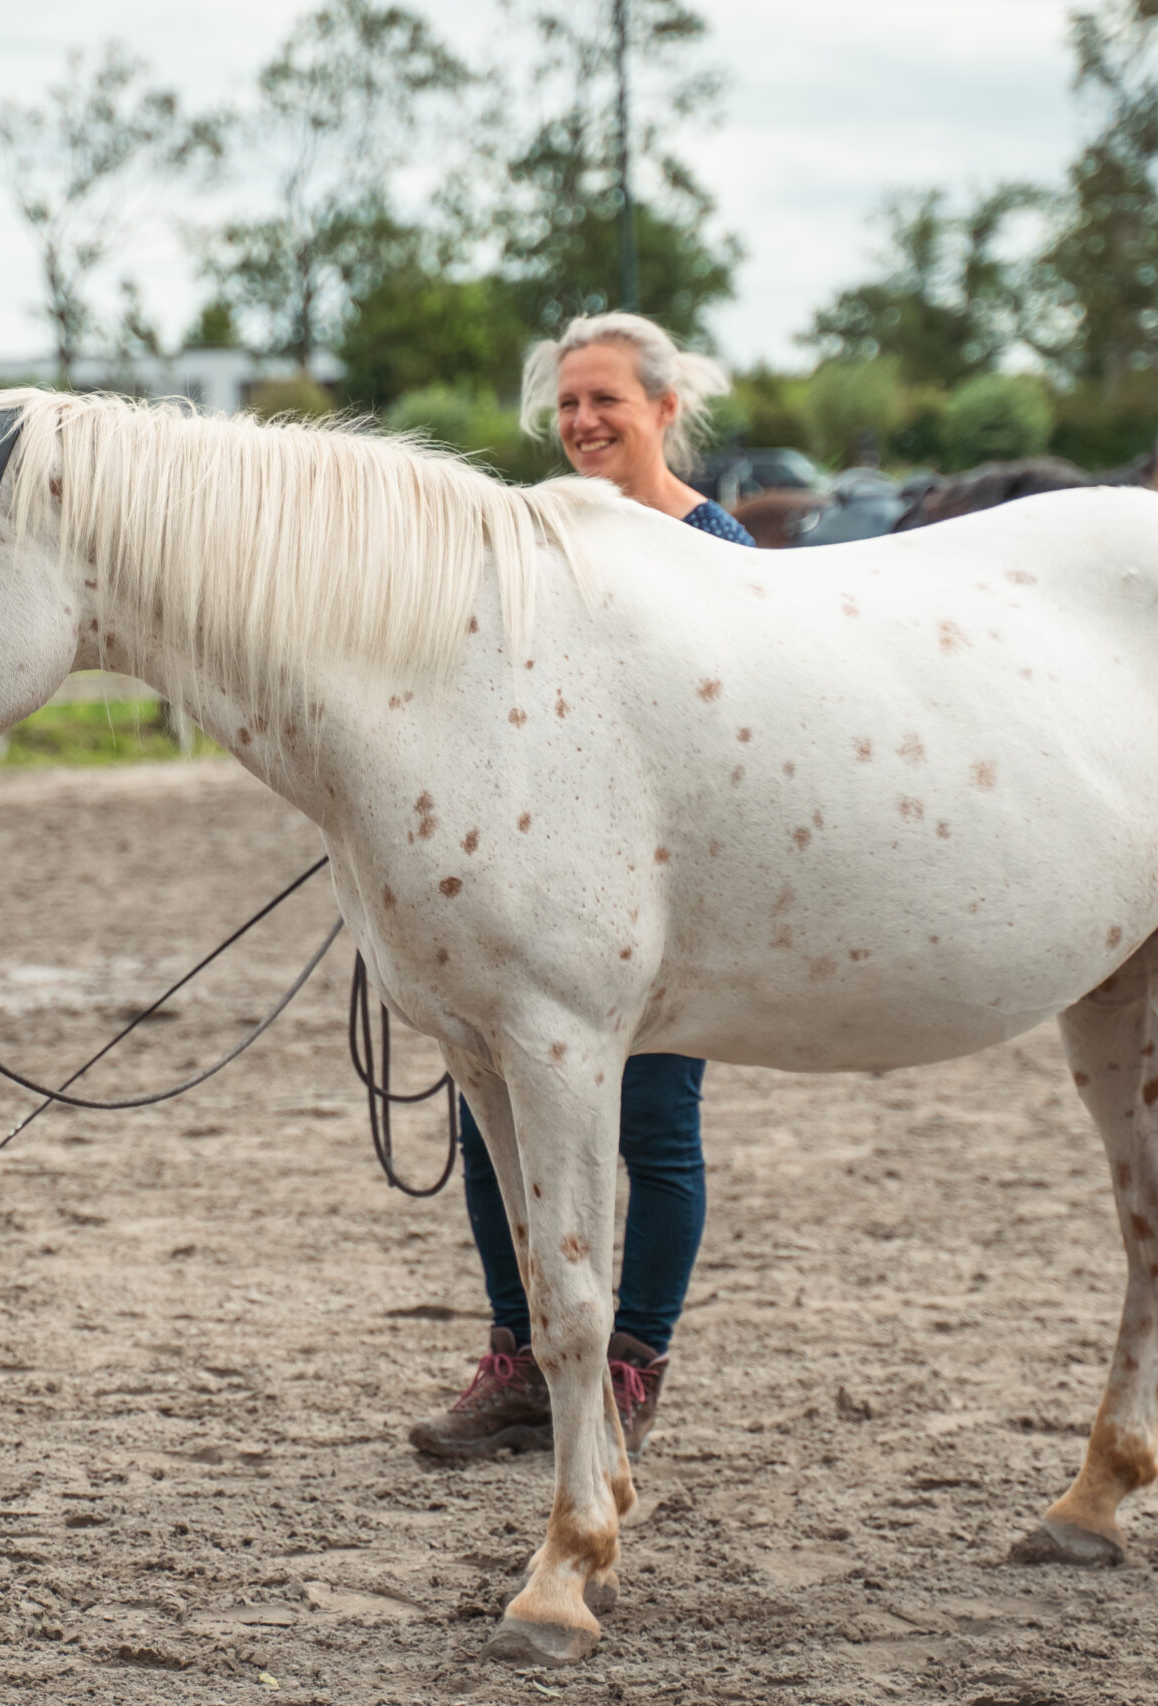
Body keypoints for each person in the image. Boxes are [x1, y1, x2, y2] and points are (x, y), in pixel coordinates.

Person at [408, 312, 750, 1463]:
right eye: (567, 402)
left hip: (666, 901)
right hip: (539, 896)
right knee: (490, 1118)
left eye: (605, 399)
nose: (582, 421)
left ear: (664, 408)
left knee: (653, 1128)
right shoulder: (536, 539)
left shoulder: (717, 549)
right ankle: (516, 1356)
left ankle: (630, 1361)